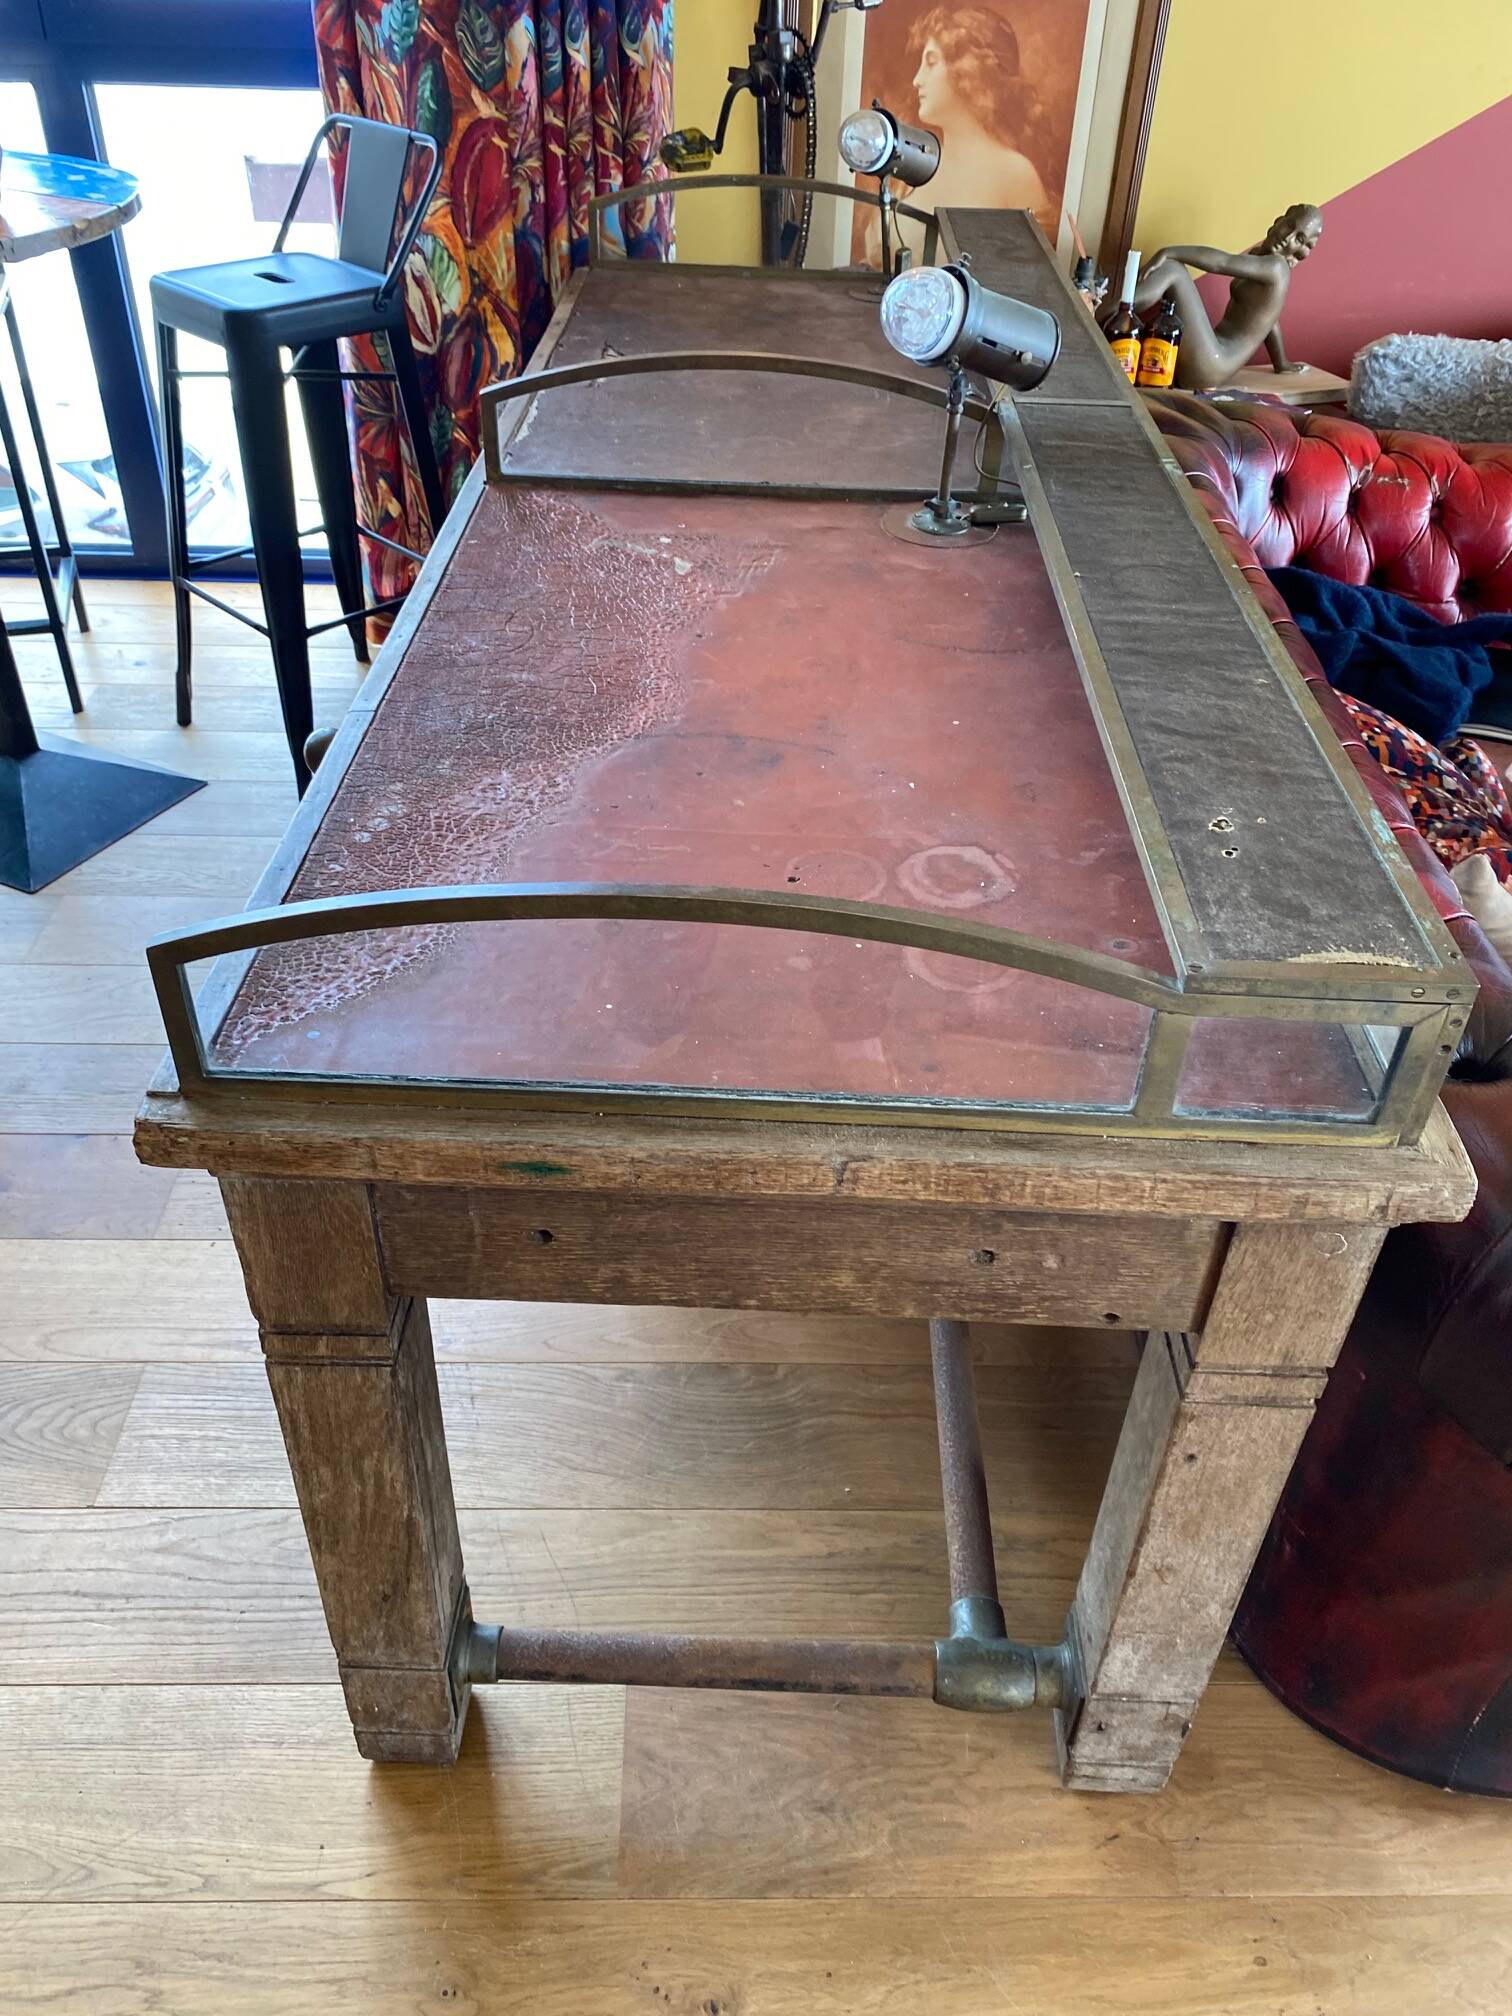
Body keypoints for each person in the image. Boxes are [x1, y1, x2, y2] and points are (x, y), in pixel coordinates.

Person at [862, 7, 1057, 266]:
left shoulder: (1015, 175)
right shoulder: (914, 164)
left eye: (931, 63)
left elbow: (1026, 283)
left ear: (970, 72)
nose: (917, 80)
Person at [1132, 204, 1323, 390]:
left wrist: (1168, 251)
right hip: (1209, 355)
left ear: (1302, 249)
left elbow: (1223, 262)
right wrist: (1281, 362)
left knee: (1173, 269)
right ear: (1279, 221)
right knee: (1172, 269)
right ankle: (1113, 313)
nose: (1288, 238)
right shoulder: (1259, 257)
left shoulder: (1276, 267)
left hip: (1214, 366)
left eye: (1299, 239)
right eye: (1289, 225)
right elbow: (1270, 319)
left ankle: (1109, 315)